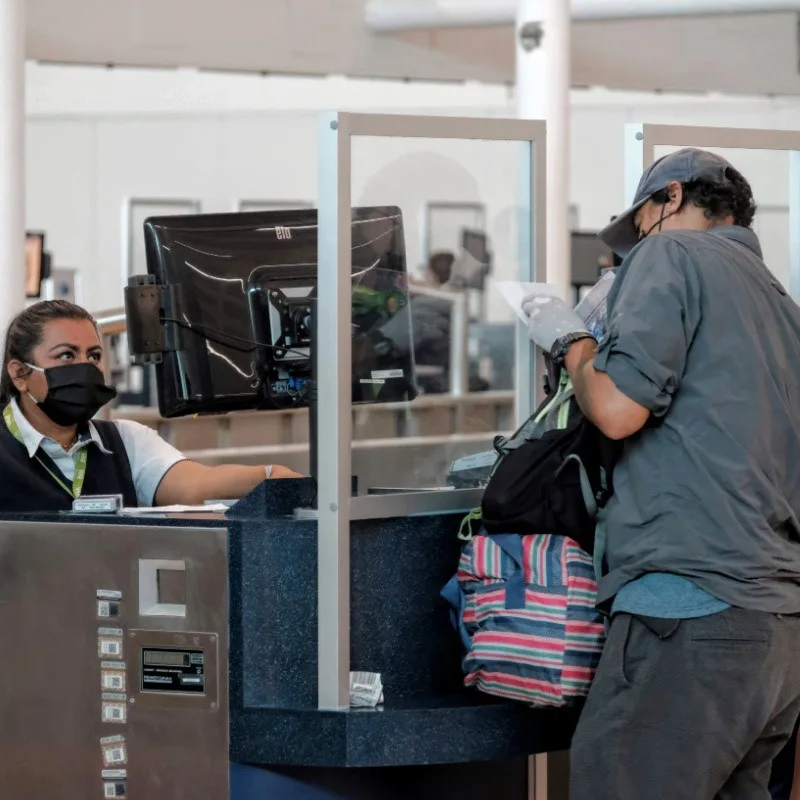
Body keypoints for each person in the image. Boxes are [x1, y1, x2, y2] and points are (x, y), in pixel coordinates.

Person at [522, 148, 800, 799]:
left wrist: (571, 341)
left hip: (688, 611)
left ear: (670, 198)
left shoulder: (670, 257)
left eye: (640, 225)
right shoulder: (783, 308)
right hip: (778, 632)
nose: (634, 247)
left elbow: (617, 410)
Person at [0, 300, 301, 511]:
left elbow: (195, 486)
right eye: (66, 355)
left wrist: (272, 475)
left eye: (93, 356)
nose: (85, 367)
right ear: (20, 373)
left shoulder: (125, 442)